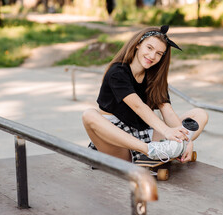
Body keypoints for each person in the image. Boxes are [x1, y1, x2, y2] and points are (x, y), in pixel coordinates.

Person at [82, 25, 208, 163]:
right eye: (149, 48)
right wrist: (167, 132)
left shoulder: (155, 77)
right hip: (117, 139)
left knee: (199, 114)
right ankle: (152, 151)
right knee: (89, 114)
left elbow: (168, 112)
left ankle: (169, 148)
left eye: (159, 53)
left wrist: (186, 141)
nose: (152, 56)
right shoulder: (117, 72)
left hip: (145, 133)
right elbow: (138, 106)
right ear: (138, 45)